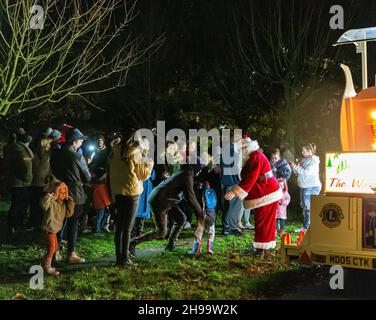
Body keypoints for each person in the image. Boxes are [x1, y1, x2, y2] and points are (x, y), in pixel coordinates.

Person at [225, 136, 283, 257]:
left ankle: (260, 249)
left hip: (266, 193)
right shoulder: (253, 156)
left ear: (245, 146)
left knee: (262, 221)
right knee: (266, 221)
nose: (238, 149)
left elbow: (251, 178)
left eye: (240, 146)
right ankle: (265, 247)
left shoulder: (255, 157)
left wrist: (235, 191)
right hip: (267, 193)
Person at [130, 164, 204, 254]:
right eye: (199, 169)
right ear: (195, 168)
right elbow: (191, 198)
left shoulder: (183, 172)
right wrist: (201, 215)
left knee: (181, 219)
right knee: (161, 232)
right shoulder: (186, 175)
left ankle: (170, 245)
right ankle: (132, 243)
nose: (200, 172)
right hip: (159, 201)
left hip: (166, 200)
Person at [109, 133, 154, 266]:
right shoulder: (135, 153)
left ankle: (119, 258)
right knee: (127, 227)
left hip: (117, 191)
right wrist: (149, 161)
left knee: (119, 227)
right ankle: (124, 259)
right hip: (131, 192)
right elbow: (143, 175)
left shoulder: (115, 151)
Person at [50, 128, 91, 264]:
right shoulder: (77, 156)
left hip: (60, 192)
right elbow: (87, 177)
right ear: (74, 142)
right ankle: (71, 254)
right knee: (73, 224)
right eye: (80, 141)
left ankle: (55, 252)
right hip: (75, 194)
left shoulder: (56, 153)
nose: (81, 143)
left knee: (59, 223)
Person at [41, 180, 74, 276]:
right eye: (61, 192)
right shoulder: (51, 202)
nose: (63, 195)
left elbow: (69, 214)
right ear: (56, 192)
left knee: (55, 248)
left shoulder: (63, 205)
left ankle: (43, 262)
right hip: (48, 228)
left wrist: (71, 202)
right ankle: (47, 267)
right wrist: (50, 195)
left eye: (65, 193)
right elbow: (44, 205)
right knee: (51, 248)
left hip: (54, 230)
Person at [5, 131, 34, 235]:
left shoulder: (13, 148)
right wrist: (27, 179)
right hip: (21, 183)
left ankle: (12, 225)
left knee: (15, 204)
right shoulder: (21, 150)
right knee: (19, 205)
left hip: (15, 181)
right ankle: (16, 225)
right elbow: (25, 166)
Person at [289, 143, 322, 233]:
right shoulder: (305, 160)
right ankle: (307, 227)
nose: (302, 152)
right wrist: (294, 167)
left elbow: (306, 172)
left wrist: (295, 166)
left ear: (310, 151)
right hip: (305, 187)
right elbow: (298, 172)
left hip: (311, 187)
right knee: (305, 207)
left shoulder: (313, 161)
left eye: (304, 150)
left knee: (308, 208)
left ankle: (307, 228)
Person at [220, 133, 245, 236]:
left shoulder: (226, 149)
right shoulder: (233, 150)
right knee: (235, 206)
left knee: (227, 207)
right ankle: (233, 227)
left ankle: (226, 228)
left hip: (226, 181)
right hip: (233, 182)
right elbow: (238, 168)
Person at [30, 131, 54, 230]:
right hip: (44, 183)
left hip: (34, 182)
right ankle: (41, 222)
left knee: (34, 204)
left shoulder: (34, 155)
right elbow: (50, 170)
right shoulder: (48, 157)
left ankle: (34, 222)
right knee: (43, 204)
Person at [188, 181, 217, 255]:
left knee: (199, 231)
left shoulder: (199, 194)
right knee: (211, 232)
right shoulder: (212, 193)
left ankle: (196, 249)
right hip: (212, 215)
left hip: (203, 215)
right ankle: (209, 248)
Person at [91, 167, 111, 234]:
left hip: (99, 203)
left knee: (102, 215)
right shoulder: (101, 185)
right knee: (99, 217)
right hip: (101, 204)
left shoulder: (96, 184)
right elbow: (104, 196)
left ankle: (98, 227)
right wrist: (108, 204)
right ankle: (97, 230)